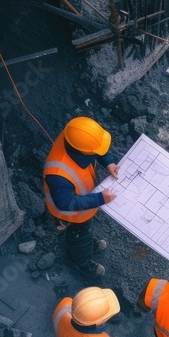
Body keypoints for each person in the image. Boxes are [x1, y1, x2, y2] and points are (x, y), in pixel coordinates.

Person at [43, 117, 119, 276]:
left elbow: (97, 149)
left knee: (85, 233)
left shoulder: (74, 135)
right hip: (72, 213)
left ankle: (87, 243)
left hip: (82, 200)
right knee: (80, 235)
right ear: (83, 152)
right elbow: (66, 203)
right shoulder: (58, 174)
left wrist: (109, 162)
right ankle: (80, 262)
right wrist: (100, 199)